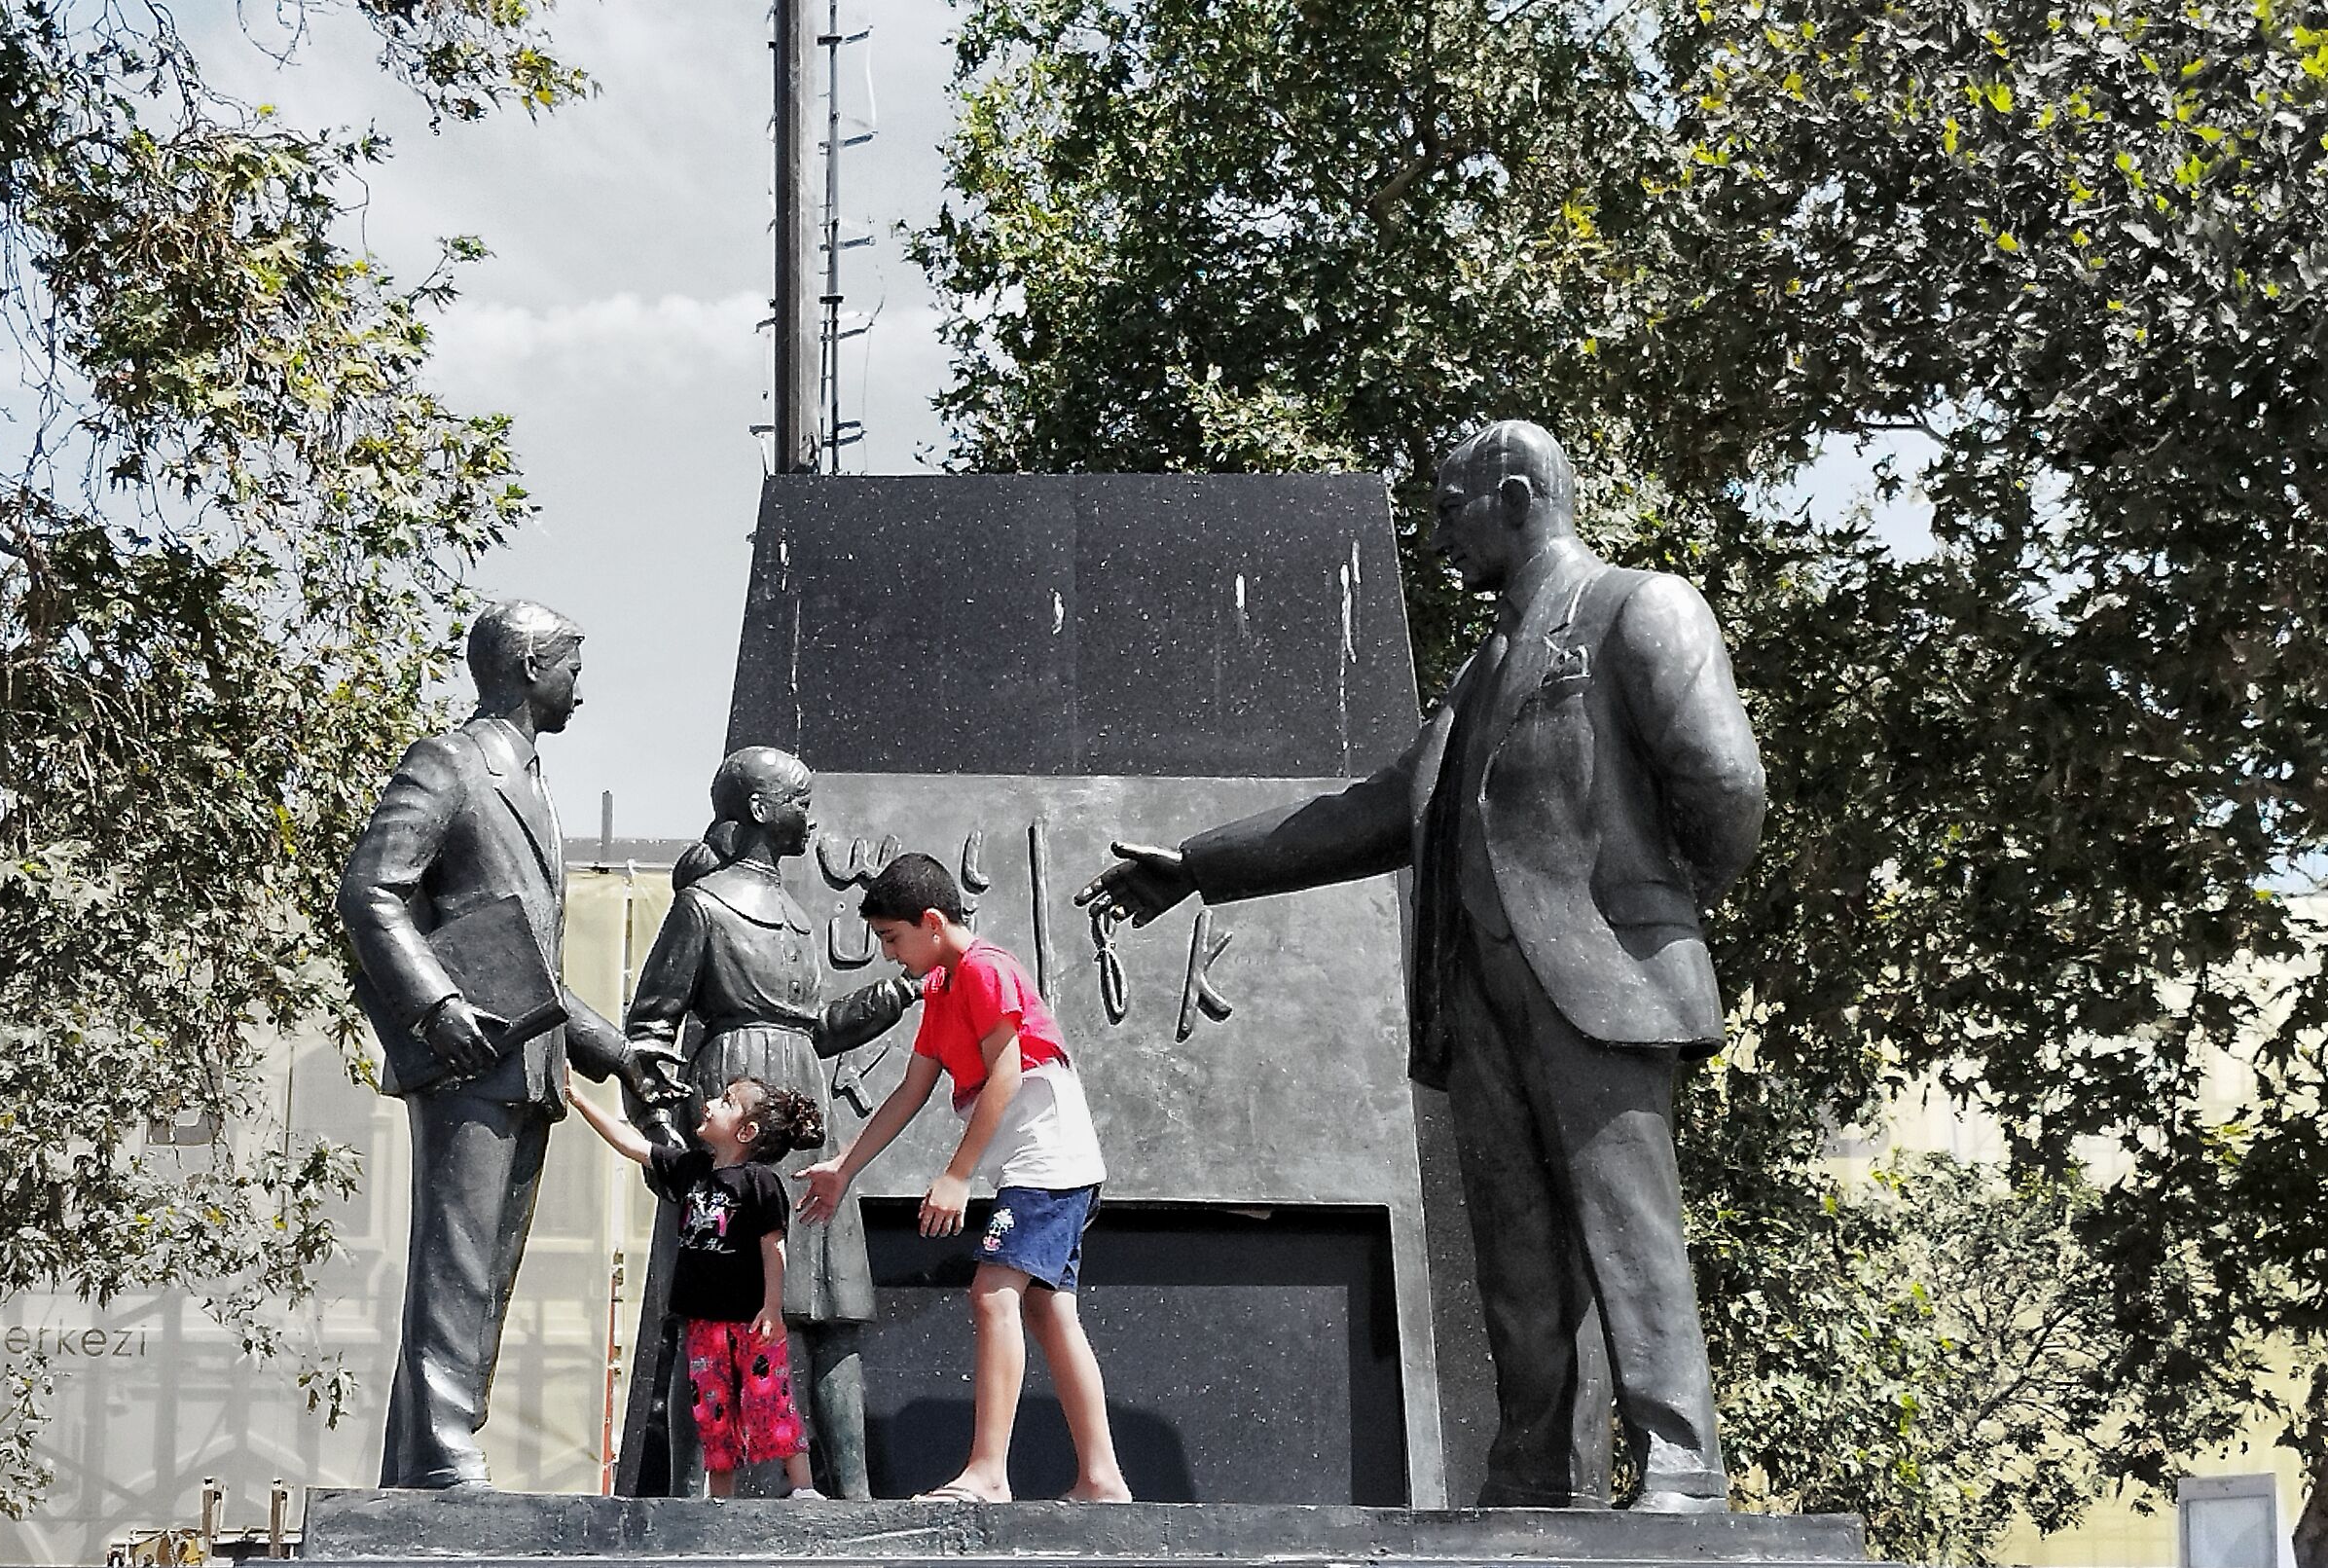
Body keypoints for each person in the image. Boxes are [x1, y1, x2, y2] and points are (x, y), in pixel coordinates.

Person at [1077, 420, 1764, 1513]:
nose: (1438, 537)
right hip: (1481, 997)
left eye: (1451, 510)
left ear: (1516, 497)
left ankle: (1682, 1466)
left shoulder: (1641, 608)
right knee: (1517, 1255)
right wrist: (1201, 867)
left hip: (1605, 983)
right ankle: (1539, 1474)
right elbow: (1376, 811)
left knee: (1628, 1233)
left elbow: (1726, 786)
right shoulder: (1484, 668)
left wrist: (1649, 914)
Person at [338, 598, 685, 1490]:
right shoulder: (451, 763)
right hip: (468, 1058)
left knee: (485, 1272)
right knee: (455, 1262)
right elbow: (370, 890)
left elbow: (527, 962)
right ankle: (443, 1452)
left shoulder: (530, 782)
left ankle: (424, 1458)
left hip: (528, 1063)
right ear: (531, 667)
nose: (582, 686)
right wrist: (436, 1005)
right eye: (573, 665)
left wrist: (613, 1050)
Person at [622, 747, 921, 1497]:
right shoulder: (702, 906)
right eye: (800, 800)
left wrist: (891, 996)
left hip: (802, 1108)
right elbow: (650, 1028)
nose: (810, 816)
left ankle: (852, 1495)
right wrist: (661, 1129)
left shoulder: (795, 915)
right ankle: (689, 1494)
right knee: (711, 1309)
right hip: (731, 1091)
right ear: (761, 809)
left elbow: (813, 1026)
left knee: (831, 1306)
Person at [796, 854, 1130, 1504]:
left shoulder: (984, 968)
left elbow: (1007, 1073)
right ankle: (1101, 1478)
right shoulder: (944, 987)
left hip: (1047, 1159)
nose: (890, 955)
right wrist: (844, 1167)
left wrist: (956, 1175)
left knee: (992, 1295)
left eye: (893, 938)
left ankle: (989, 1472)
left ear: (931, 921)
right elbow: (911, 1090)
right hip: (1039, 1165)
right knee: (1046, 1307)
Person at [570, 1076, 825, 1500]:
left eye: (726, 1101)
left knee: (770, 1400)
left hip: (751, 1321)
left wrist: (773, 1307)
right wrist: (579, 1099)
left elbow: (773, 1248)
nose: (710, 1103)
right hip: (704, 1323)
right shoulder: (692, 1169)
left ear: (746, 1132)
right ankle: (720, 1498)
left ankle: (802, 1488)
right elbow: (632, 1145)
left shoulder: (759, 1182)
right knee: (713, 1411)